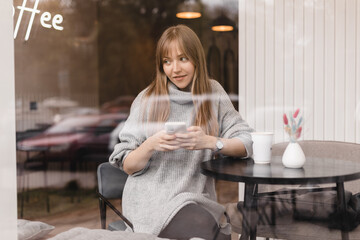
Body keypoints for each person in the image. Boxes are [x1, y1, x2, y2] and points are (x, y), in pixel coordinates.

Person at [109, 24, 253, 240]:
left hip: (194, 199)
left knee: (217, 233)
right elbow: (128, 165)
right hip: (150, 201)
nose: (174, 69)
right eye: (167, 61)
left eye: (183, 59)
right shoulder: (147, 99)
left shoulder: (213, 94)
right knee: (211, 233)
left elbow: (247, 142)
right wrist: (151, 144)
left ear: (196, 59)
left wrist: (211, 142)